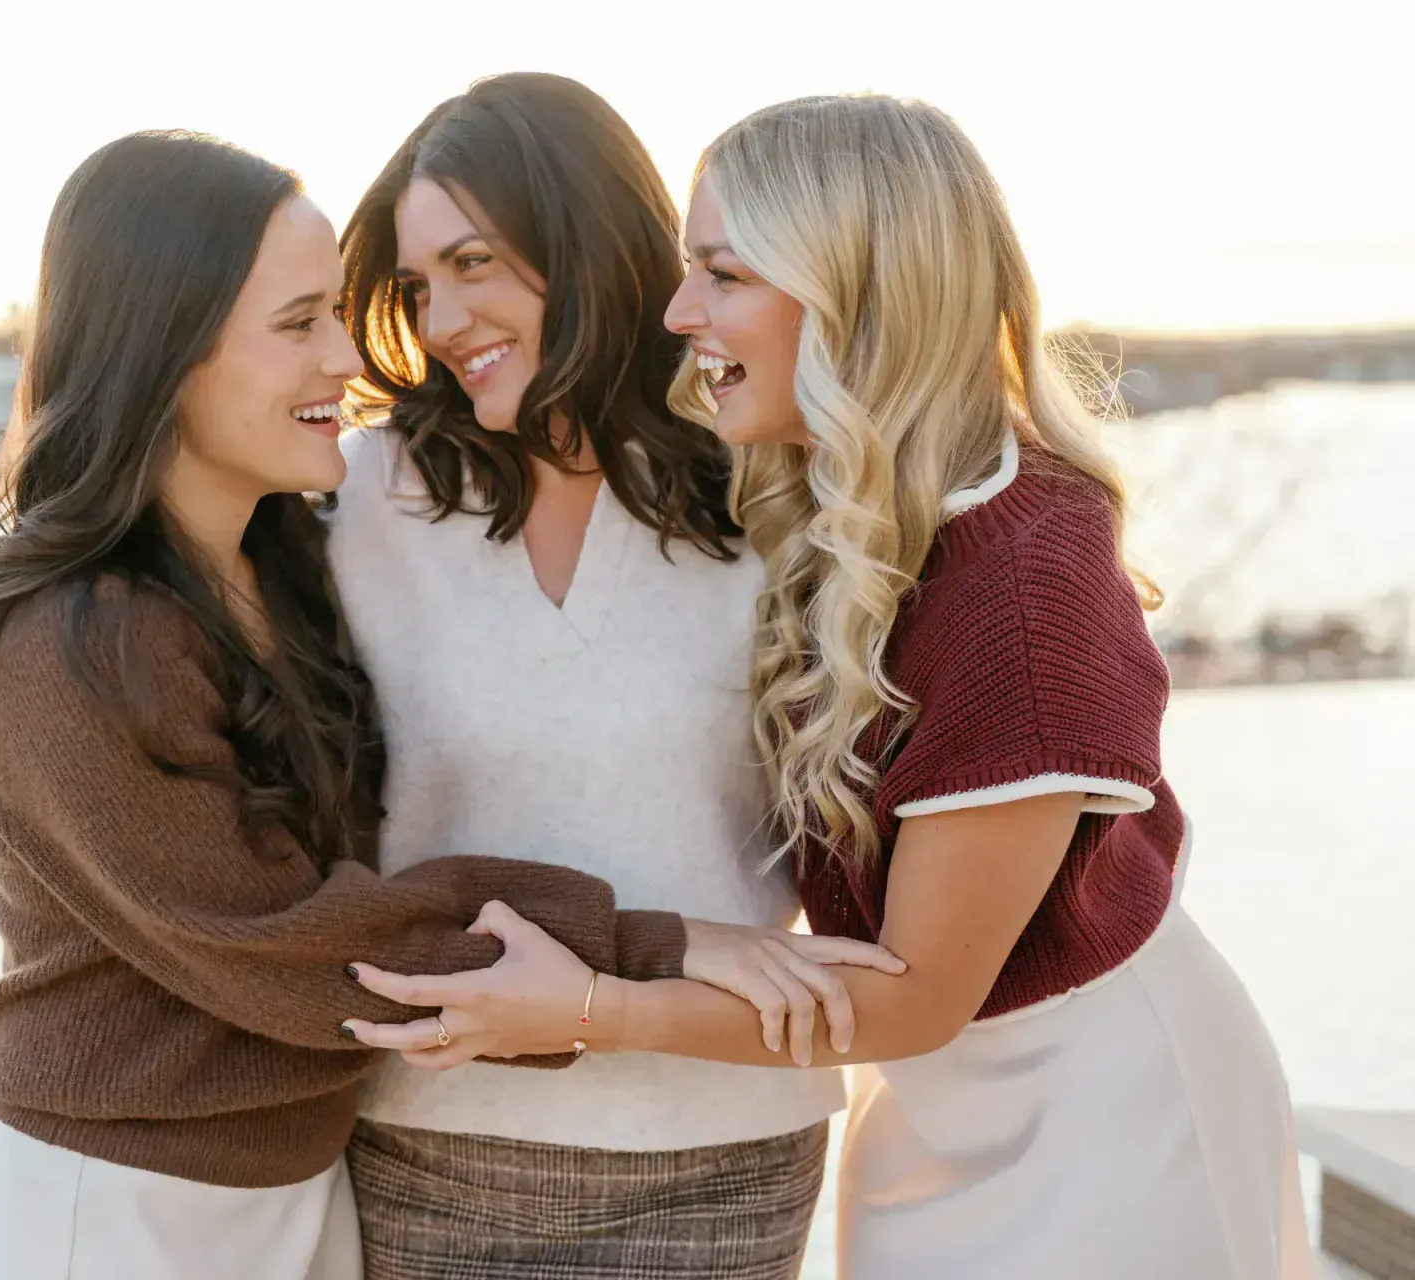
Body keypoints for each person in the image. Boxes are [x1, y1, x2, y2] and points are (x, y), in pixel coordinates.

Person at [354, 94, 1314, 1280]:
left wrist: (595, 1005)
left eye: (723, 273)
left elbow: (918, 995)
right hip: (921, 1108)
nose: (678, 311)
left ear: (859, 288)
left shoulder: (1023, 585)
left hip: (1104, 1115)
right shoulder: (834, 510)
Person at [0, 129, 726, 1280]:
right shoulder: (68, 637)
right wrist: (656, 947)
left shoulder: (284, 576)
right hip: (126, 1209)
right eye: (298, 324)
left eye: (337, 312)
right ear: (163, 350)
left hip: (300, 1184)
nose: (347, 355)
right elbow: (289, 940)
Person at [328, 73, 890, 1280]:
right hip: (432, 1139)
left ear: (581, 242)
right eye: (417, 286)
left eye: (473, 262)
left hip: (727, 1142)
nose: (441, 320)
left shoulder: (767, 489)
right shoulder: (361, 498)